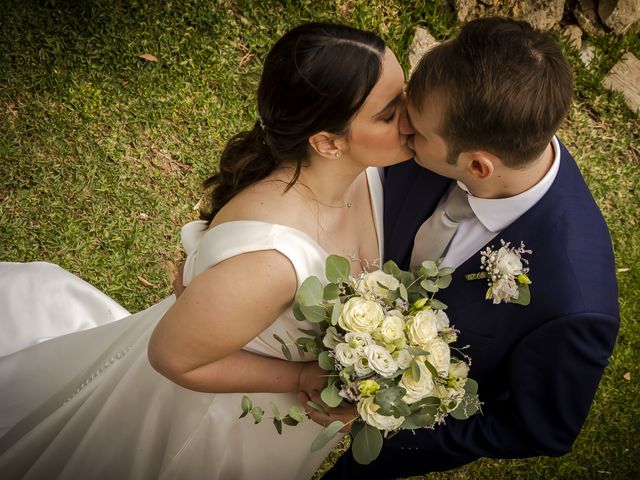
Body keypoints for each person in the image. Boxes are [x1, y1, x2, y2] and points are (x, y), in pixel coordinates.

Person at [0, 22, 414, 479]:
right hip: (214, 427)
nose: (412, 115)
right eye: (389, 113)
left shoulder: (370, 174)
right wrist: (300, 378)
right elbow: (173, 358)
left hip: (285, 427)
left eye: (405, 92)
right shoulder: (272, 258)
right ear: (327, 142)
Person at [314, 17, 620, 479]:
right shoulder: (451, 123)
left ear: (478, 166)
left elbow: (539, 429)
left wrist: (395, 420)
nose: (400, 129)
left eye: (414, 130)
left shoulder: (574, 304)